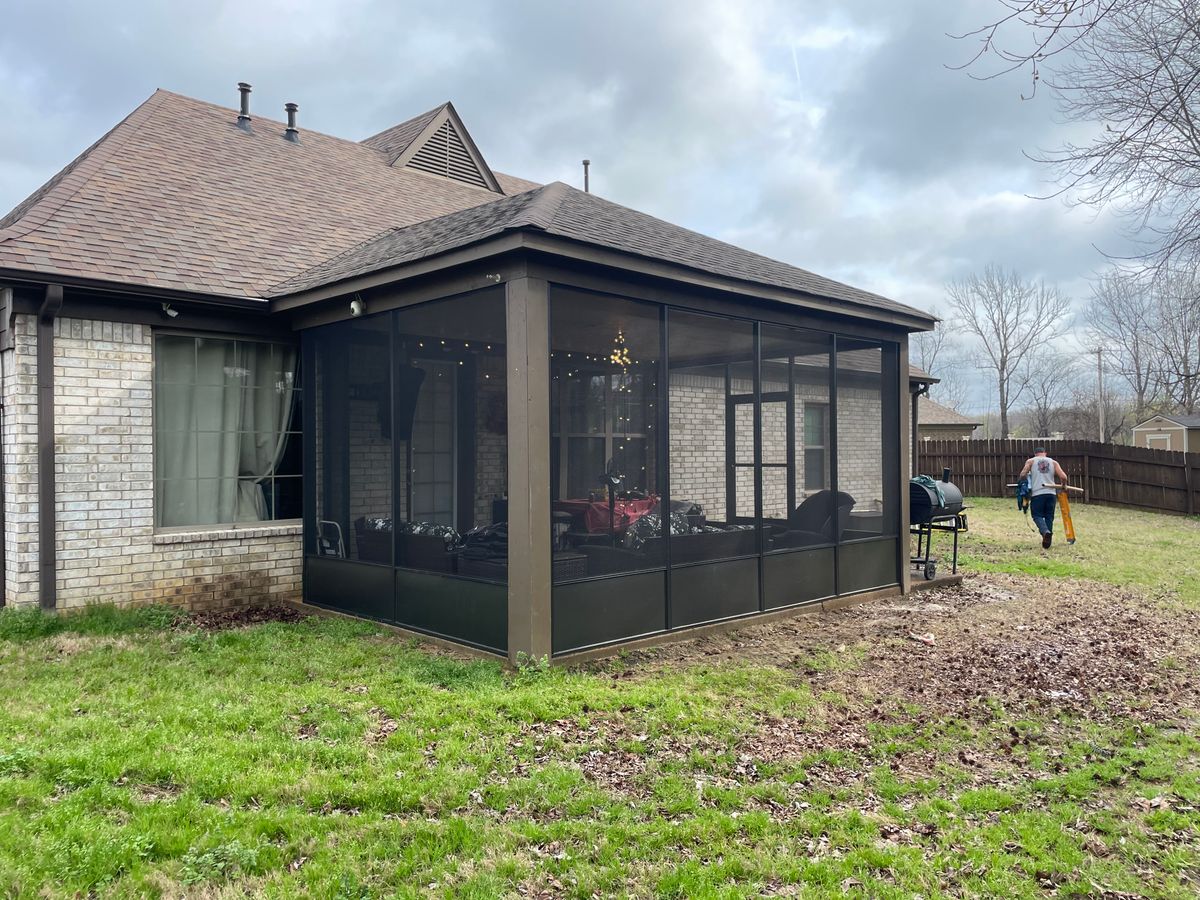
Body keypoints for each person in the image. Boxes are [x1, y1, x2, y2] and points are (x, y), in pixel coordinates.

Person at [1018, 447, 1069, 549]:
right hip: (1051, 494)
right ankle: (1047, 538)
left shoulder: (1031, 461)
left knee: (1037, 515)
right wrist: (1064, 485)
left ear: (1035, 454)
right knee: (1049, 516)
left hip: (1038, 494)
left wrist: (1024, 483)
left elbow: (1023, 474)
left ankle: (1045, 532)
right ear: (1045, 453)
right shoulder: (1053, 462)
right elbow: (1063, 477)